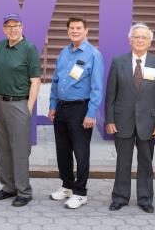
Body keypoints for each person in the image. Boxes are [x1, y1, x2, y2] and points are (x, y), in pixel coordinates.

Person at [104, 23, 155, 213]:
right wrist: (109, 120)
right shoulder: (118, 62)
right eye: (136, 37)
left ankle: (145, 199)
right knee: (122, 161)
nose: (140, 40)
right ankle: (120, 197)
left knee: (146, 162)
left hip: (149, 123)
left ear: (150, 42)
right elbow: (111, 95)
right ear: (130, 40)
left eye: (144, 38)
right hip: (122, 121)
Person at [0, 13, 41, 207]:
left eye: (16, 25)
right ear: (4, 29)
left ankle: (24, 191)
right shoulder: (0, 46)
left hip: (19, 105)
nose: (13, 29)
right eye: (9, 26)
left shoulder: (29, 49)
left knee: (20, 150)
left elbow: (35, 81)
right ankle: (8, 187)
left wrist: (29, 108)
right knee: (3, 148)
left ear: (22, 27)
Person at [48, 17, 104, 209]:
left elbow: (97, 88)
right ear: (68, 31)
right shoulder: (64, 53)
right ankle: (67, 186)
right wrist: (52, 105)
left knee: (81, 152)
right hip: (61, 108)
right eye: (71, 28)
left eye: (79, 28)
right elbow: (55, 82)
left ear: (86, 30)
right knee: (62, 151)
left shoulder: (94, 55)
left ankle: (81, 192)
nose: (75, 31)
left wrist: (91, 113)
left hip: (81, 109)